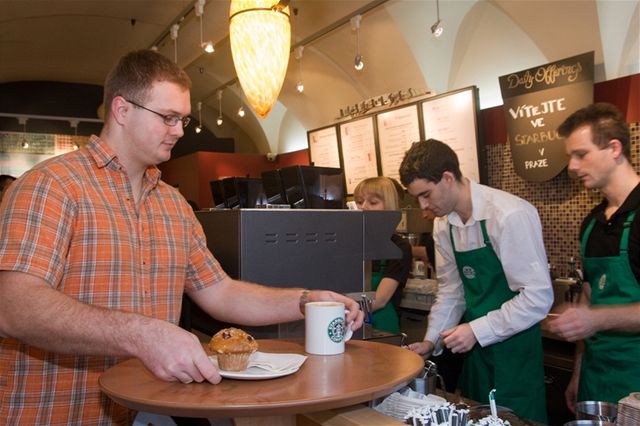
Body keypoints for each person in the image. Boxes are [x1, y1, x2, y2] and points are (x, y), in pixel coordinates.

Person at [0, 49, 364, 425]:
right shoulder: (51, 185)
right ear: (122, 110)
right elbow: (14, 307)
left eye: (183, 120)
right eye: (168, 117)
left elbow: (221, 291)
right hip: (50, 412)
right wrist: (141, 335)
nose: (179, 131)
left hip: (137, 411)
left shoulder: (173, 204)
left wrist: (304, 301)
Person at [399, 139, 553, 423]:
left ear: (447, 178)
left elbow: (537, 298)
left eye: (426, 195)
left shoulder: (508, 214)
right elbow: (451, 291)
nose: (423, 206)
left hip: (514, 352)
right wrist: (431, 340)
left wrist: (476, 329)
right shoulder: (444, 223)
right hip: (476, 354)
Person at [546, 102, 640, 411]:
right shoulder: (592, 222)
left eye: (581, 154)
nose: (572, 166)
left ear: (614, 148)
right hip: (595, 377)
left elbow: (591, 315)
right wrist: (577, 373)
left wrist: (595, 319)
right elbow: (588, 298)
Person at [353, 176, 412, 334]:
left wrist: (341, 310)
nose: (363, 207)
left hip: (382, 329)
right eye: (359, 201)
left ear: (389, 207)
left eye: (373, 202)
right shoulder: (350, 242)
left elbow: (380, 299)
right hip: (352, 324)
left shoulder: (399, 247)